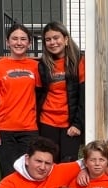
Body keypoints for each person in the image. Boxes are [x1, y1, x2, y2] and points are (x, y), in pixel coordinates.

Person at [0, 23, 40, 178]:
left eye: (23, 39)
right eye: (15, 38)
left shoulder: (36, 67)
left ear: (29, 43)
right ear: (7, 42)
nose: (19, 42)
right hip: (5, 129)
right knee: (8, 172)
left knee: (28, 171)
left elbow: (42, 96)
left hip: (29, 128)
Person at [37, 21, 85, 162]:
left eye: (56, 38)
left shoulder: (79, 61)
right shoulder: (43, 65)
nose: (52, 42)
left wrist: (77, 124)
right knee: (48, 163)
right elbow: (39, 95)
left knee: (68, 163)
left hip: (69, 124)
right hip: (47, 122)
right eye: (48, 39)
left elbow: (84, 96)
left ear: (65, 39)